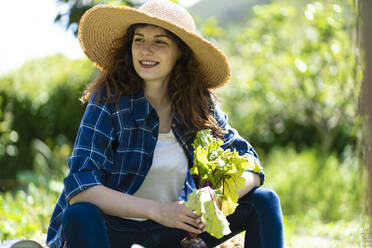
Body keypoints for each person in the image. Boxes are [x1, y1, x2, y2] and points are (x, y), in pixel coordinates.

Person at [46, 0, 284, 247]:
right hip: (114, 230)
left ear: (180, 52)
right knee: (79, 213)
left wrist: (217, 197)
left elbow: (251, 166)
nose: (146, 50)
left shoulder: (198, 104)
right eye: (139, 39)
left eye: (159, 41)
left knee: (264, 201)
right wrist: (158, 210)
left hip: (175, 231)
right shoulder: (109, 100)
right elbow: (81, 186)